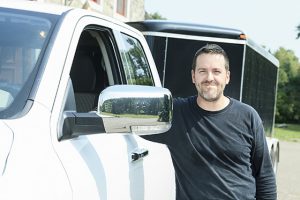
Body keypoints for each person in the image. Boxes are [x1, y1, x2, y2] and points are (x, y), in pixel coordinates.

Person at [143, 44, 277, 199]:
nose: (209, 78)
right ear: (193, 76)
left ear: (227, 76)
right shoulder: (174, 113)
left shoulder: (248, 116)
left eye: (216, 71)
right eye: (202, 71)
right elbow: (128, 125)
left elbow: (265, 176)